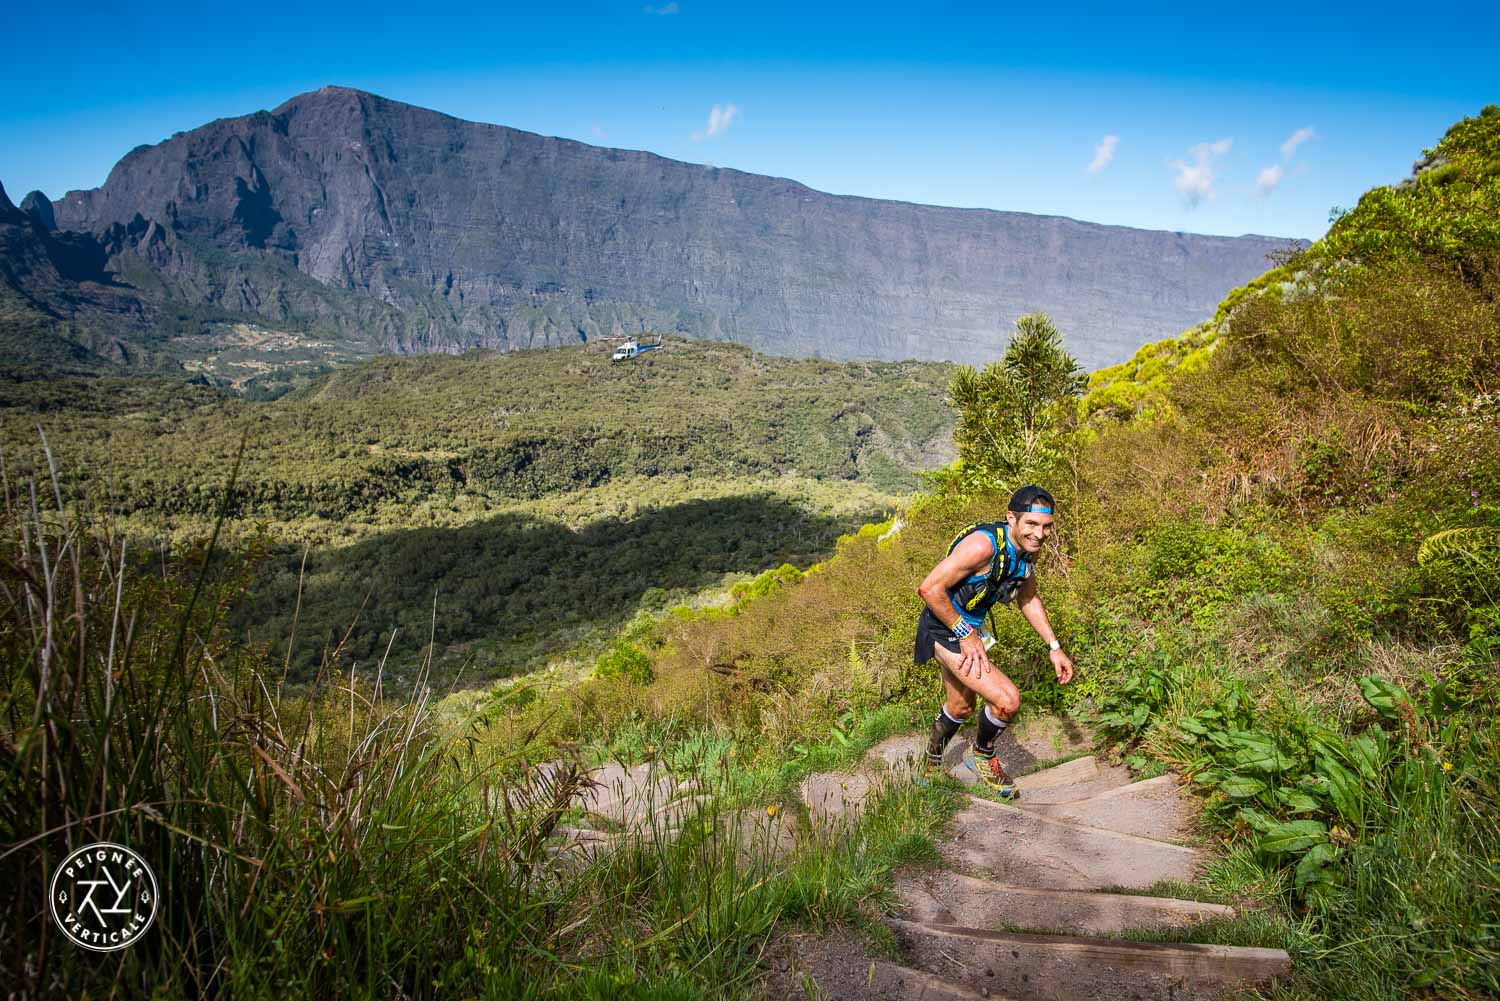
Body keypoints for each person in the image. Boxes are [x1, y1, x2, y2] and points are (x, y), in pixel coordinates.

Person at [913, 484, 1074, 797]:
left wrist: (1054, 647)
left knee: (959, 708)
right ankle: (982, 755)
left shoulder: (1028, 551)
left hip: (966, 628)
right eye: (1031, 524)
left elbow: (1028, 598)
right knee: (1007, 700)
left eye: (1046, 527)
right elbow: (929, 589)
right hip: (944, 627)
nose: (1039, 534)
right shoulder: (982, 547)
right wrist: (965, 632)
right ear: (1011, 519)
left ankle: (930, 765)